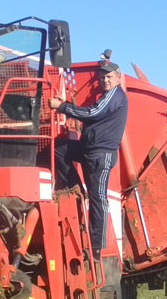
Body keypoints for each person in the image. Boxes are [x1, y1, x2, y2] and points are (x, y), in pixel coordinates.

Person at [49, 58, 129, 256]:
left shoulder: (114, 95)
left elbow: (93, 112)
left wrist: (62, 107)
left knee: (98, 199)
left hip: (100, 156)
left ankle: (95, 248)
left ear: (118, 78)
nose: (105, 81)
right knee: (59, 149)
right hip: (89, 151)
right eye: (102, 77)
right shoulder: (107, 95)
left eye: (109, 77)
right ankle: (75, 187)